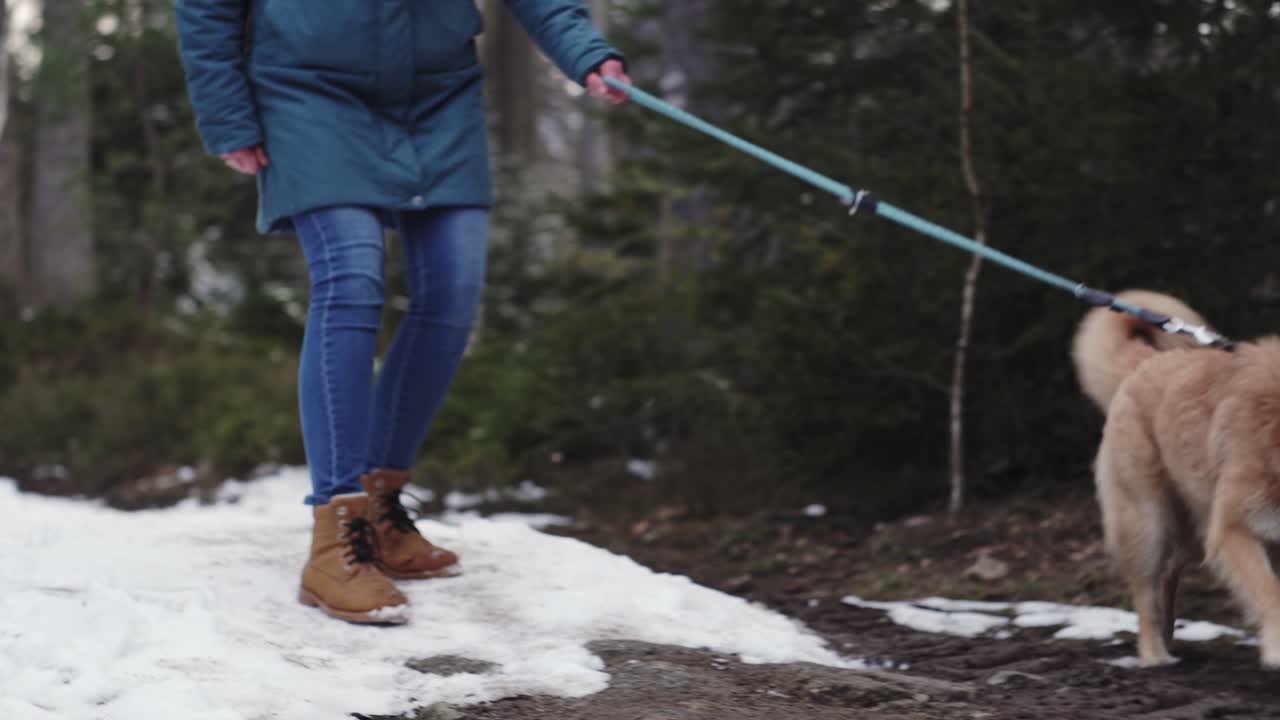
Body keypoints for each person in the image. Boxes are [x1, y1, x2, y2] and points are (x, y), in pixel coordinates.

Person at [174, 0, 630, 625]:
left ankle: (382, 511)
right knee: (350, 281)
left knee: (451, 292)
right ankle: (336, 536)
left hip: (437, 97)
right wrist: (228, 114)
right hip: (309, 92)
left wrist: (586, 53)